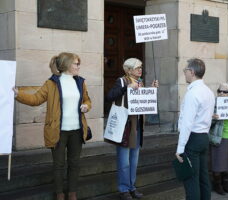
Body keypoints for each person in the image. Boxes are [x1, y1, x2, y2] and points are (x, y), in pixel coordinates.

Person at [13, 52, 91, 200]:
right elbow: (36, 98)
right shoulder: (52, 83)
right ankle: (60, 194)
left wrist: (86, 106)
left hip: (77, 130)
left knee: (75, 163)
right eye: (76, 63)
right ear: (67, 65)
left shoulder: (80, 82)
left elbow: (87, 100)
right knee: (59, 164)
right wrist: (18, 94)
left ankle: (72, 193)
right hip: (58, 131)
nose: (78, 66)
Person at [106, 58, 159, 200]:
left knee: (134, 160)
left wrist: (152, 91)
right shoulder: (122, 81)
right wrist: (126, 89)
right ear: (129, 70)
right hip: (125, 125)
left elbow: (143, 102)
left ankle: (132, 187)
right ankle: (124, 189)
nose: (140, 70)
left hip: (137, 125)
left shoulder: (140, 82)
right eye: (137, 68)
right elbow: (110, 96)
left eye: (141, 67)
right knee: (124, 161)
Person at [175, 58, 215, 200]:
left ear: (191, 72)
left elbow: (187, 123)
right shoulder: (208, 91)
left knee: (191, 180)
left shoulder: (193, 93)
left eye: (185, 70)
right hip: (203, 137)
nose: (184, 73)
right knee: (203, 179)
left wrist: (180, 148)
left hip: (193, 138)